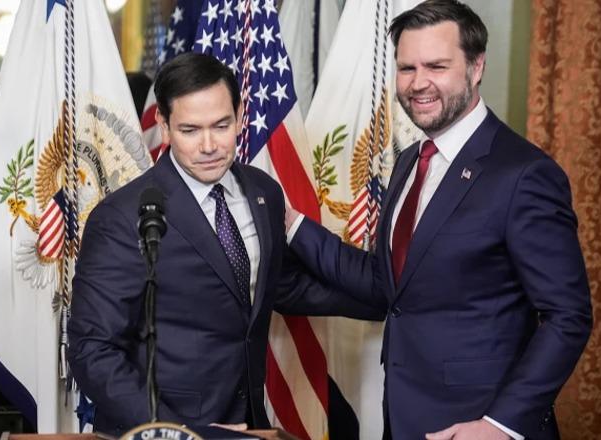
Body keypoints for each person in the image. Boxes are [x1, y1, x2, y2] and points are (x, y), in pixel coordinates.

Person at [285, 1, 593, 439]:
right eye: (407, 68)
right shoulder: (410, 161)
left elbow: (568, 316)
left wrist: (500, 425)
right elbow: (388, 284)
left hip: (479, 426)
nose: (418, 83)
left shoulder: (524, 174)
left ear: (476, 67)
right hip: (403, 420)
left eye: (436, 66)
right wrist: (292, 224)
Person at [68, 52, 383, 437]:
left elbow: (279, 286)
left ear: (239, 116)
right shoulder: (121, 217)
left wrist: (396, 300)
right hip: (164, 431)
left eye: (221, 125)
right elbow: (92, 349)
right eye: (190, 130)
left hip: (250, 424)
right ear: (164, 127)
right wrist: (179, 432)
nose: (208, 145)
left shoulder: (263, 191)